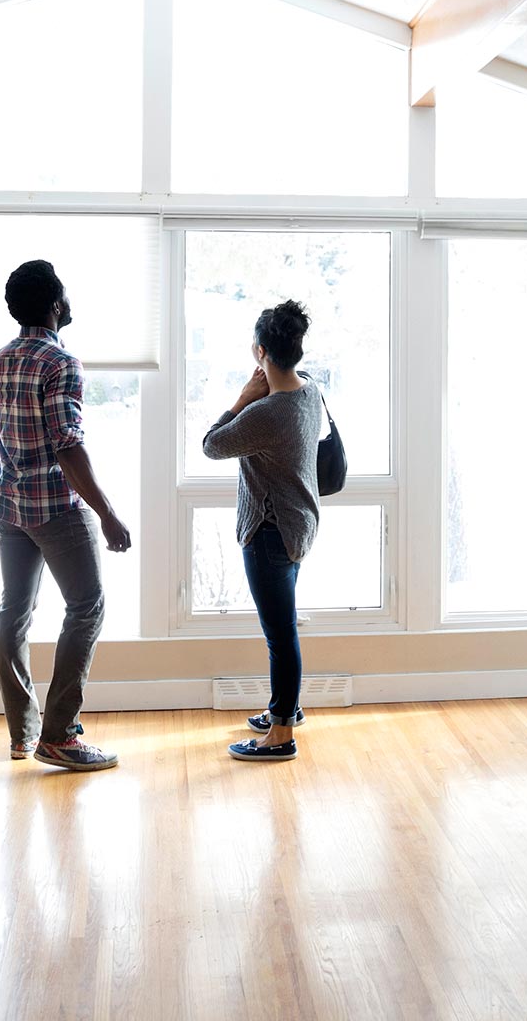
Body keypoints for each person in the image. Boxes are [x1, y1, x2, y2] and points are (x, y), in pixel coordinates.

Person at [0, 259, 132, 772]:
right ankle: (61, 734)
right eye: (65, 295)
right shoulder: (61, 363)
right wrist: (107, 513)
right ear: (56, 306)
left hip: (9, 503)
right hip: (55, 509)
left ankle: (23, 733)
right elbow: (68, 444)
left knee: (14, 610)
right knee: (87, 607)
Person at [202, 299, 325, 763]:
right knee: (285, 629)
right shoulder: (310, 392)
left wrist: (240, 399)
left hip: (270, 533)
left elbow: (212, 445)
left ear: (260, 352)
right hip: (300, 524)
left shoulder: (265, 413)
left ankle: (280, 734)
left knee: (280, 636)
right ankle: (285, 708)